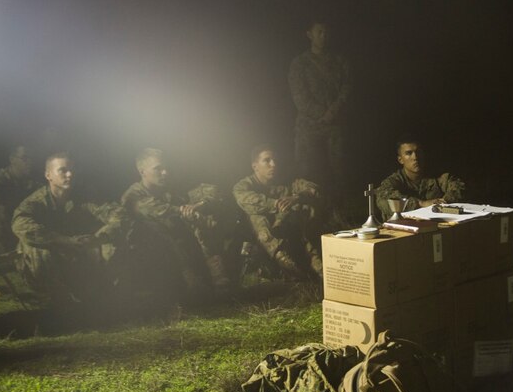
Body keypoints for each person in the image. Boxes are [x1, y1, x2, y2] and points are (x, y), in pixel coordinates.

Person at [7, 152, 124, 303]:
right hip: (50, 261)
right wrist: (64, 240)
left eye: (72, 170)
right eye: (62, 170)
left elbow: (119, 215)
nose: (70, 174)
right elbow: (20, 224)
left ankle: (105, 287)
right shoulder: (36, 202)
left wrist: (99, 238)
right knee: (34, 245)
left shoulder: (84, 196)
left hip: (78, 256)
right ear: (48, 175)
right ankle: (50, 293)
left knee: (111, 239)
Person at [121, 148, 233, 301]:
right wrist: (183, 211)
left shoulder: (171, 188)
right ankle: (191, 283)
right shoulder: (133, 195)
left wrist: (199, 206)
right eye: (158, 168)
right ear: (142, 171)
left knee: (199, 219)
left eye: (166, 168)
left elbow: (213, 191)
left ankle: (218, 279)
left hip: (182, 248)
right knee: (158, 227)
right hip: (151, 253)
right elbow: (154, 210)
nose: (165, 172)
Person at [233, 145, 323, 278]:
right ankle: (291, 267)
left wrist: (297, 198)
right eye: (267, 160)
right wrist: (277, 204)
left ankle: (317, 265)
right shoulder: (243, 185)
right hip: (260, 236)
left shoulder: (286, 181)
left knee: (305, 208)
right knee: (256, 217)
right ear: (255, 166)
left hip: (287, 229)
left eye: (275, 160)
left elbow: (313, 189)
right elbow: (248, 200)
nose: (273, 164)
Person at [288, 22, 351, 210]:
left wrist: (332, 112)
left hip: (334, 127)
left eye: (326, 32)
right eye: (320, 32)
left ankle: (339, 214)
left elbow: (347, 88)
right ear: (309, 34)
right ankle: (310, 215)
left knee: (337, 172)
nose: (324, 36)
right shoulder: (300, 63)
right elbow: (299, 95)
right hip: (308, 128)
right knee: (308, 172)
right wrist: (321, 114)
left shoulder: (340, 61)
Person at [374, 138, 464, 220]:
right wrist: (421, 204)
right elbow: (383, 198)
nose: (415, 157)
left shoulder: (437, 177)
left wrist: (444, 203)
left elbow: (458, 186)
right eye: (409, 153)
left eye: (418, 152)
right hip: (402, 230)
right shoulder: (394, 181)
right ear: (400, 160)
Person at [0, 144, 39, 255]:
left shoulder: (29, 180)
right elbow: (13, 206)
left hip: (22, 236)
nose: (29, 162)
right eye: (24, 158)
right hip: (4, 241)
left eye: (31, 158)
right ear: (12, 159)